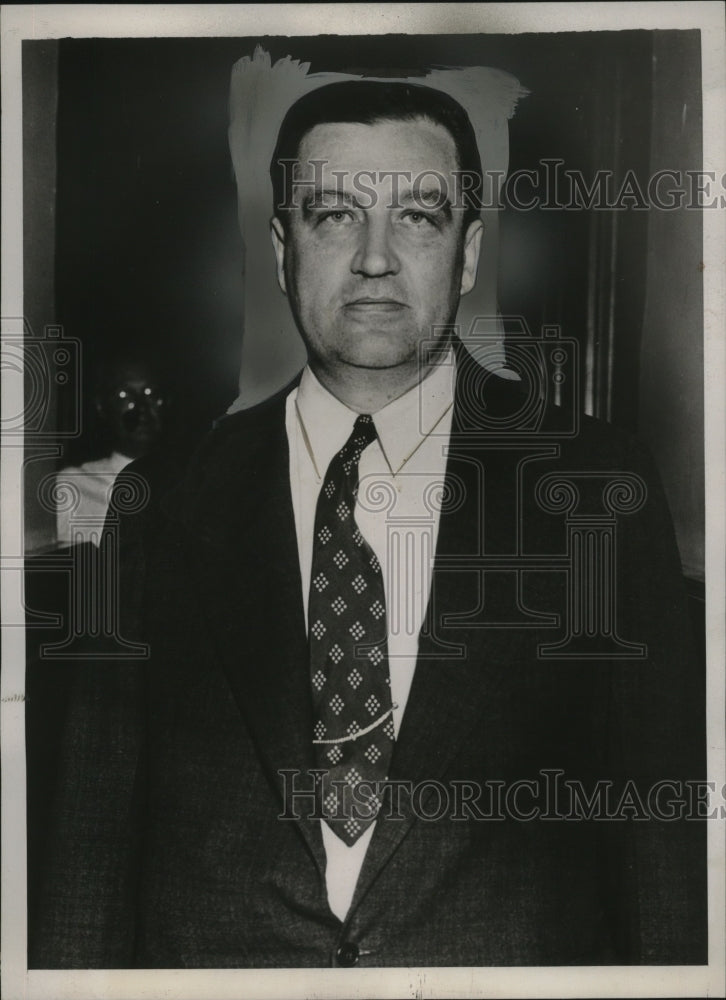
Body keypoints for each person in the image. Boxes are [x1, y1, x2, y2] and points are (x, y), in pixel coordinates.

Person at [31, 80, 706, 969]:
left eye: (420, 217)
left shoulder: (595, 488)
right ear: (282, 250)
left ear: (467, 256)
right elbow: (91, 851)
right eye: (335, 216)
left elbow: (663, 863)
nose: (376, 258)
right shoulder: (161, 501)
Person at [54, 355, 166, 547]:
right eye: (124, 395)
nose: (141, 408)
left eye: (150, 393)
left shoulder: (190, 482)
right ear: (102, 407)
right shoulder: (71, 487)